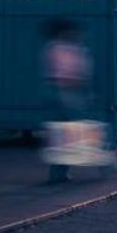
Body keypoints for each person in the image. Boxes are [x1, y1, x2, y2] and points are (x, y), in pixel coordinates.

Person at [41, 18, 100, 184]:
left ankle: (58, 172)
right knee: (76, 131)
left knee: (63, 134)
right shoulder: (69, 49)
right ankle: (102, 160)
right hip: (68, 94)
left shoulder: (52, 48)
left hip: (57, 94)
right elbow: (74, 74)